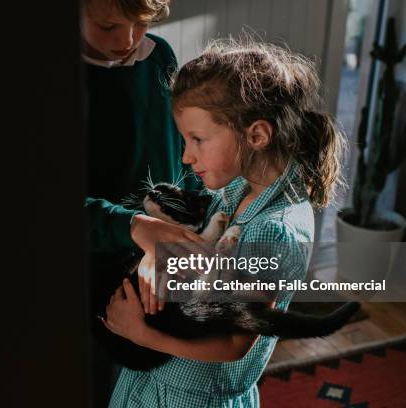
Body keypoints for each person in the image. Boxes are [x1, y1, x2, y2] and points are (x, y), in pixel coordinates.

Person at [102, 37, 347, 407]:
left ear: (257, 135)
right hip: (153, 384)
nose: (186, 156)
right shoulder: (232, 191)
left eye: (197, 139)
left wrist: (140, 334)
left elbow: (235, 344)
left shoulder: (274, 229)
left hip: (192, 398)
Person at [81, 0, 205, 405]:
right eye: (108, 27)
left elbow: (178, 159)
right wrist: (133, 227)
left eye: (141, 24)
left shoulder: (160, 57)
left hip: (156, 261)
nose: (129, 40)